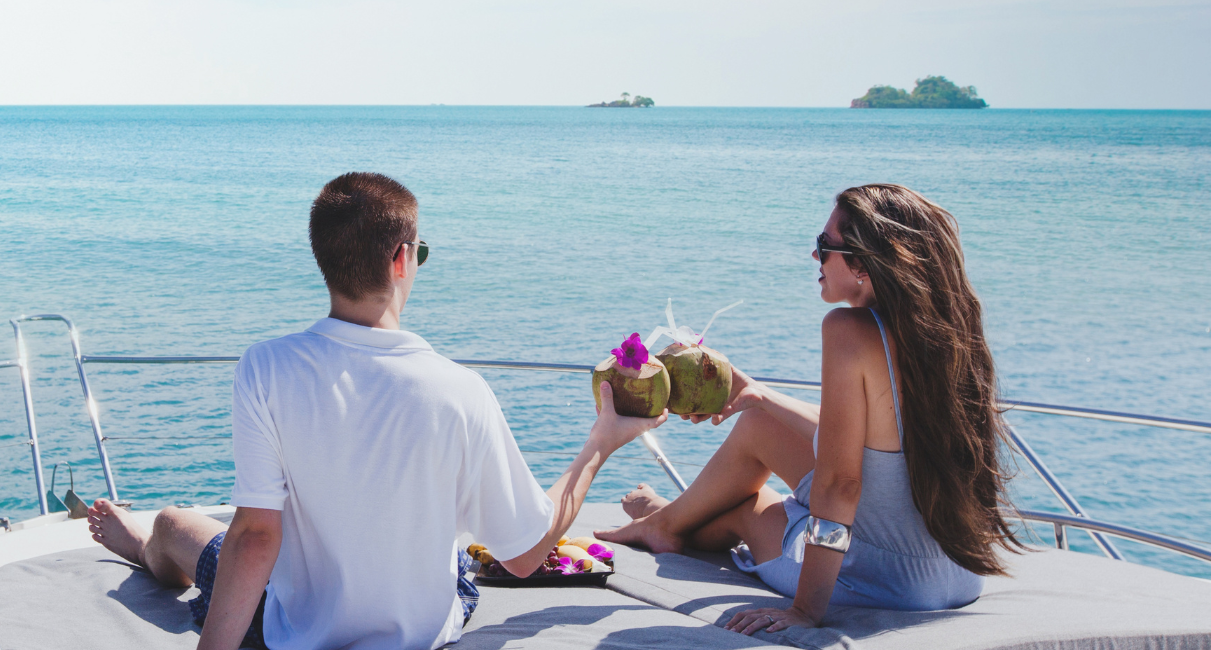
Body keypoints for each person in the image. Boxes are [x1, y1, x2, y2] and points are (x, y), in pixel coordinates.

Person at [86, 172, 666, 650]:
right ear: (401, 258)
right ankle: (142, 543)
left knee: (173, 523)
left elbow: (257, 535)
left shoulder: (266, 368)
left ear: (323, 260)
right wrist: (601, 442)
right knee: (451, 552)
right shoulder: (461, 391)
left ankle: (142, 546)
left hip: (291, 628)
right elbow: (526, 554)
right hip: (421, 632)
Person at [597, 184, 1025, 635]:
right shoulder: (947, 330)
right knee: (758, 421)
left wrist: (805, 611)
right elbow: (875, 441)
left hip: (885, 581)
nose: (814, 256)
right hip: (956, 573)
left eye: (824, 245)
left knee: (749, 507)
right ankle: (668, 519)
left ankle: (665, 523)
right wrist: (758, 394)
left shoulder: (848, 330)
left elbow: (841, 484)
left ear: (862, 262)